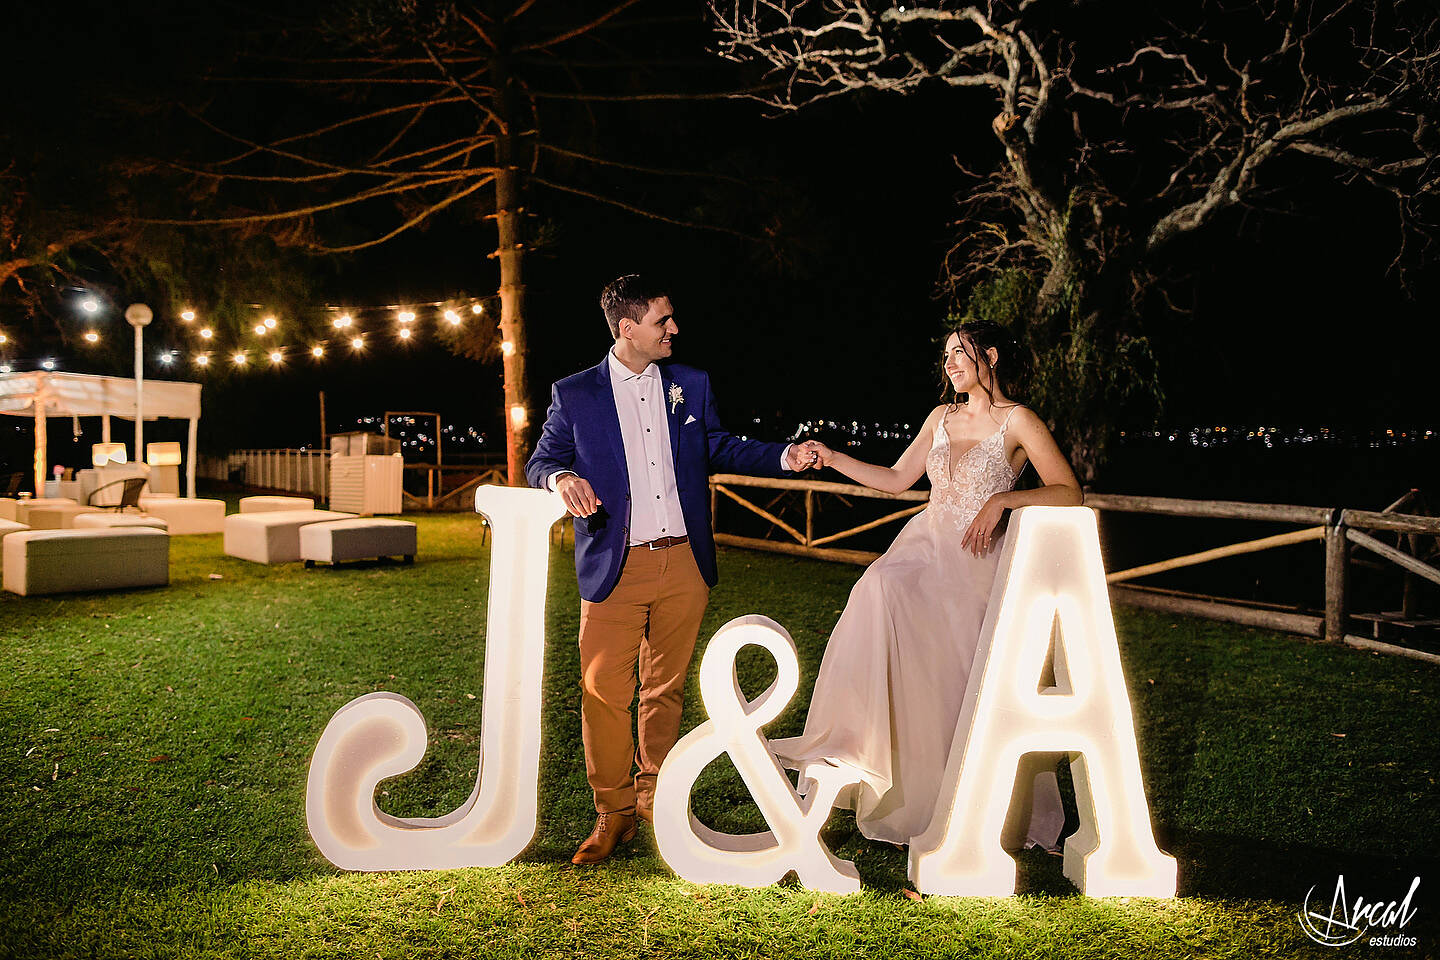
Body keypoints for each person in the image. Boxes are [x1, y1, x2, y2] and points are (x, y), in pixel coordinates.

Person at [526, 274, 819, 865]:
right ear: (627, 327)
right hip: (615, 563)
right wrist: (562, 479)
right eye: (663, 320)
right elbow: (543, 459)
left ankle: (655, 798)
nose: (674, 329)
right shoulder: (575, 393)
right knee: (603, 692)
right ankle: (612, 813)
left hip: (684, 561)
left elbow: (720, 445)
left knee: (665, 689)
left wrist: (782, 455)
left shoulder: (692, 383)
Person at [772, 320, 1084, 848]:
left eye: (960, 354)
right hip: (923, 548)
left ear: (990, 356)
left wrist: (1004, 499)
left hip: (976, 560)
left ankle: (971, 810)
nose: (951, 364)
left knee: (959, 680)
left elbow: (1069, 491)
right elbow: (897, 479)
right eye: (945, 357)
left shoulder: (1018, 421)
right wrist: (832, 456)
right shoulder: (941, 417)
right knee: (877, 588)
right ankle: (851, 746)